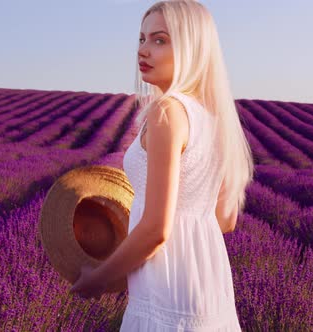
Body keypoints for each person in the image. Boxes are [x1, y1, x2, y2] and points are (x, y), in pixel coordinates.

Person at [70, 0, 254, 330]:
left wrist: (99, 278)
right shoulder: (214, 118)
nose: (143, 50)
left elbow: (156, 230)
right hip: (206, 294)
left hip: (164, 296)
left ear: (192, 48)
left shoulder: (167, 112)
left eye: (160, 40)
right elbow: (224, 220)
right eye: (141, 39)